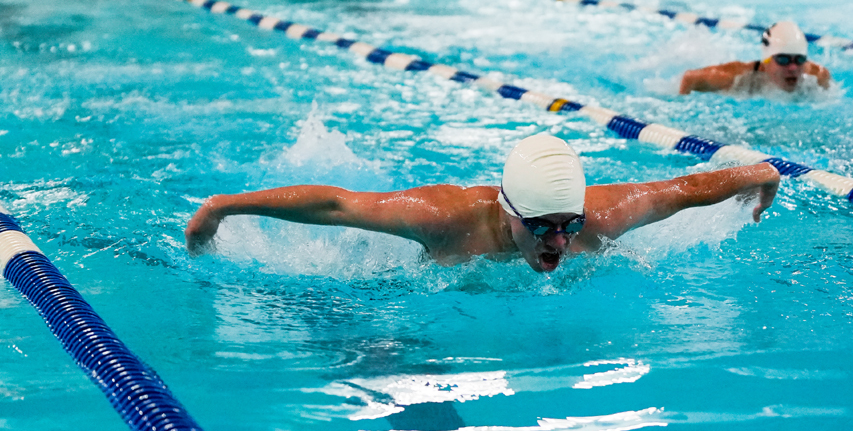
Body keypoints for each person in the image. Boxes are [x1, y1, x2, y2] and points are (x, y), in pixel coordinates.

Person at [185, 135, 780, 273]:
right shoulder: (444, 218)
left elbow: (682, 191)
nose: (559, 242)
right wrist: (224, 206)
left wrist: (760, 175)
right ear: (507, 211)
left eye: (567, 226)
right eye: (543, 227)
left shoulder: (596, 217)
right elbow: (340, 205)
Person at [679, 21, 830, 95]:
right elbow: (690, 78)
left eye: (799, 60)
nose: (793, 68)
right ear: (766, 59)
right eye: (783, 60)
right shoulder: (736, 77)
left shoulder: (817, 76)